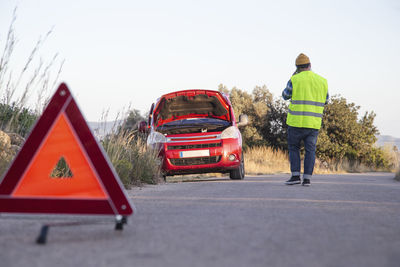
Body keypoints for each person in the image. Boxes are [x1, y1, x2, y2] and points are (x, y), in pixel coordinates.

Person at [282, 53, 329, 186]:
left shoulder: (295, 79)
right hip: (313, 124)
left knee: (293, 148)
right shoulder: (322, 81)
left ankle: (295, 176)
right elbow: (326, 100)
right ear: (310, 65)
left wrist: (292, 78)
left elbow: (285, 95)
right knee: (310, 151)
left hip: (295, 122)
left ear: (297, 67)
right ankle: (307, 179)